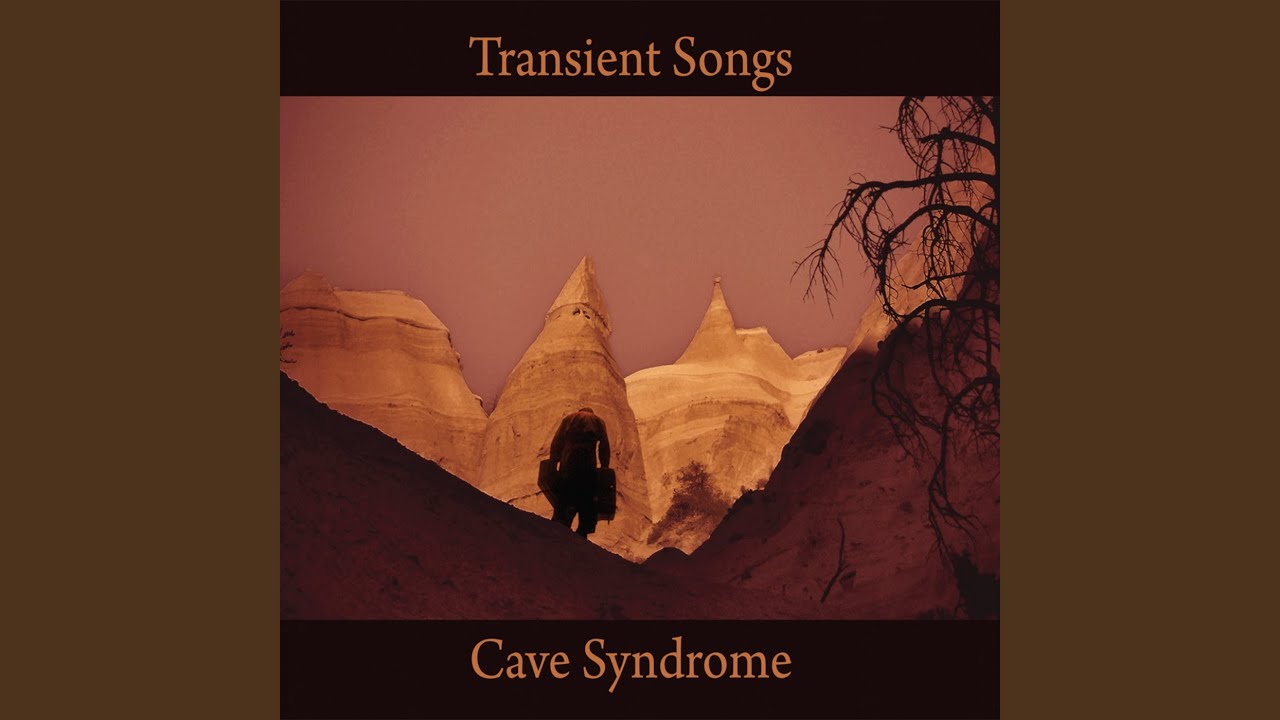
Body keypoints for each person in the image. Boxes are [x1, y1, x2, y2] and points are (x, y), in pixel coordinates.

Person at [548, 406, 610, 538]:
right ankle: (583, 530)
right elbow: (604, 445)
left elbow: (557, 441)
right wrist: (604, 466)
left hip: (568, 461)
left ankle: (560, 525)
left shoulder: (569, 418)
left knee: (565, 494)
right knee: (586, 497)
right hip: (587, 462)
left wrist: (553, 461)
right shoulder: (598, 421)